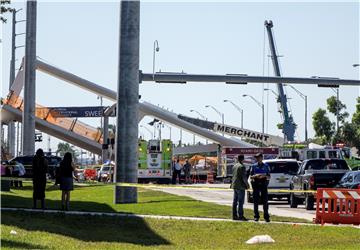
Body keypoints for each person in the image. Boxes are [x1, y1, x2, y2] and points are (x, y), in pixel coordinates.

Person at [250, 153, 271, 222]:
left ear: (262, 158)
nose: (257, 159)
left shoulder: (266, 166)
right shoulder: (253, 166)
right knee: (256, 201)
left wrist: (263, 176)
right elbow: (250, 176)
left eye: (258, 157)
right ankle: (256, 216)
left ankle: (266, 216)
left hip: (263, 184)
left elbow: (269, 176)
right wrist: (255, 176)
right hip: (256, 184)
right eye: (256, 158)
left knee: (265, 201)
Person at [230, 155, 250, 221]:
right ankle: (241, 216)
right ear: (243, 159)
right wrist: (247, 185)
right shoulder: (242, 167)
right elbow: (244, 177)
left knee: (235, 201)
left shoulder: (234, 166)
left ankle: (234, 215)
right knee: (240, 202)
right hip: (240, 186)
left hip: (234, 185)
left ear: (238, 159)